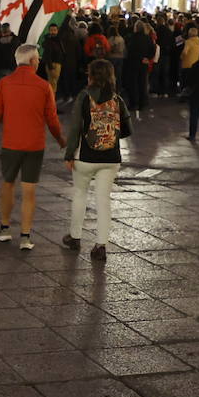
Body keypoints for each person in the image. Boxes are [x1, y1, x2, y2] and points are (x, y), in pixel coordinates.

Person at [0, 43, 65, 251]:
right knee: (29, 190)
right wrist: (61, 141)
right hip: (34, 145)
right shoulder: (43, 86)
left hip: (11, 143)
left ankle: (4, 228)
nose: (39, 61)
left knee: (7, 184)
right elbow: (52, 119)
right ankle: (25, 236)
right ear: (31, 61)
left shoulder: (4, 83)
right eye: (37, 59)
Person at [63, 59, 131, 261]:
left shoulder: (84, 97)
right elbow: (127, 130)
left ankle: (75, 237)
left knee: (80, 193)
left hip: (85, 157)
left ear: (91, 76)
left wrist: (69, 154)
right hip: (110, 158)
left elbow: (75, 128)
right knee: (103, 200)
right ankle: (101, 245)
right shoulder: (118, 99)